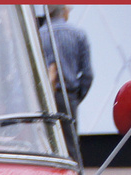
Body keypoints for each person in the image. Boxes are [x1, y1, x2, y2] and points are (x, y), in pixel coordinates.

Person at [38, 6, 93, 159]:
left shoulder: (39, 35)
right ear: (64, 11)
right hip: (68, 96)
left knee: (45, 146)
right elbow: (88, 74)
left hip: (43, 98)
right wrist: (76, 97)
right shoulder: (78, 34)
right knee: (71, 147)